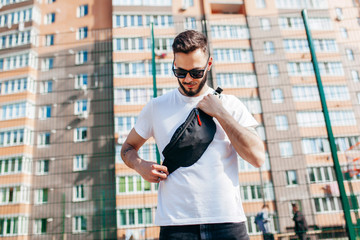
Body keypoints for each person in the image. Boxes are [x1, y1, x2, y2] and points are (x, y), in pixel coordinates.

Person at [121, 30, 265, 240]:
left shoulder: (230, 105)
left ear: (209, 64)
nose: (187, 79)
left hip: (227, 222)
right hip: (176, 225)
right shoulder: (156, 107)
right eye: (180, 72)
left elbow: (257, 157)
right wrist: (139, 165)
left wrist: (221, 113)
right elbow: (127, 149)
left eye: (196, 72)